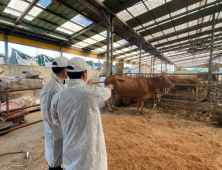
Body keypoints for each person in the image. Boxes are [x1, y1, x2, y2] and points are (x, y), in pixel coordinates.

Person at [50, 57, 114, 170]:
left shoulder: (57, 97)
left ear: (68, 73)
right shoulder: (92, 92)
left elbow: (55, 120)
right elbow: (106, 93)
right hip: (90, 154)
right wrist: (109, 88)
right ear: (84, 74)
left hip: (70, 151)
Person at [40, 56, 69, 170]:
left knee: (61, 158)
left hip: (62, 129)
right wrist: (63, 122)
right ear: (64, 70)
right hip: (55, 132)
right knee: (54, 162)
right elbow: (46, 115)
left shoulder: (62, 83)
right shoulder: (50, 88)